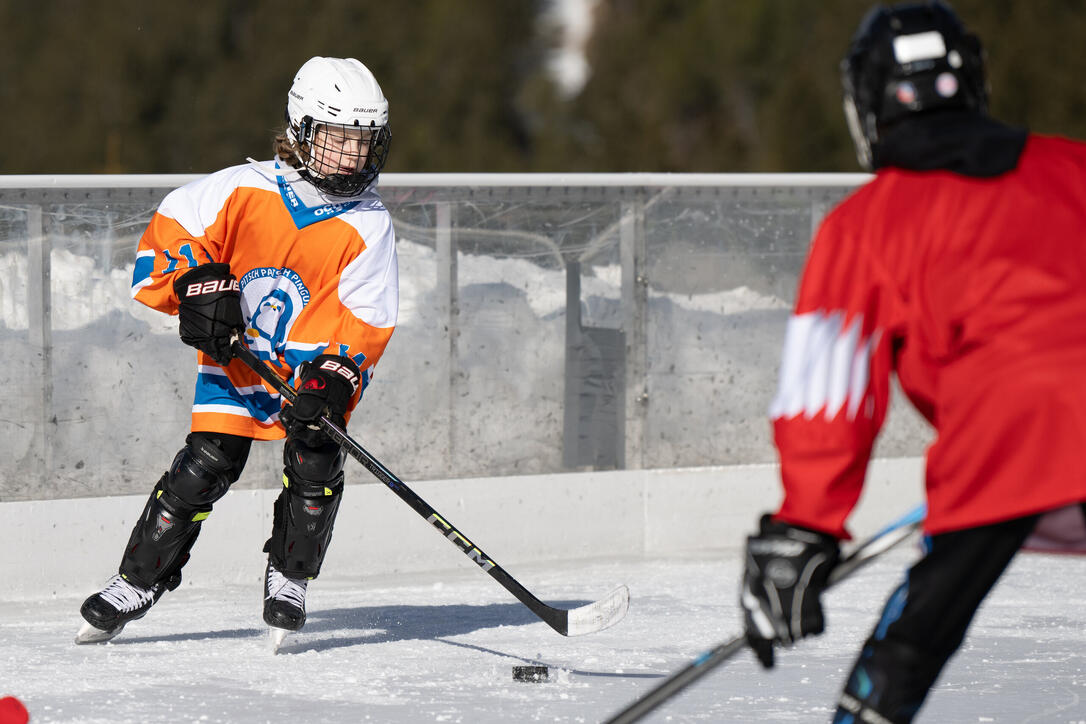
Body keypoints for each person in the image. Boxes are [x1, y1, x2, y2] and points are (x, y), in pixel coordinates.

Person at [739, 2, 1086, 722]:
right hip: (1020, 441)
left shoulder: (865, 224)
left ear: (866, 102)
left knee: (911, 645)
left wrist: (804, 526)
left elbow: (828, 398)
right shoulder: (1073, 165)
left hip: (1007, 444)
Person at [76, 56, 398, 644]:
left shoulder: (368, 221)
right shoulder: (241, 190)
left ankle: (290, 576)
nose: (354, 155)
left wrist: (335, 375)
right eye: (338, 140)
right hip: (237, 361)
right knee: (204, 466)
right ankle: (137, 581)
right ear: (301, 130)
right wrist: (194, 290)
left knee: (314, 461)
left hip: (309, 372)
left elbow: (367, 314)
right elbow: (171, 239)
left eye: (364, 142)